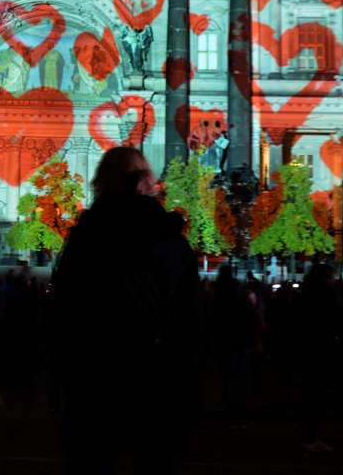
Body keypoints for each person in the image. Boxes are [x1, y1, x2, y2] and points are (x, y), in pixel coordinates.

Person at [49, 146, 202, 475]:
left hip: (95, 377)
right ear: (145, 183)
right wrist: (181, 376)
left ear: (102, 183)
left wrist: (70, 375)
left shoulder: (83, 242)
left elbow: (59, 317)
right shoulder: (173, 244)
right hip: (155, 377)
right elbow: (191, 324)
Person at [296, 263, 340, 453]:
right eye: (330, 277)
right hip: (318, 352)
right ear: (322, 279)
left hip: (309, 352)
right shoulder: (325, 297)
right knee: (312, 398)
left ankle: (309, 436)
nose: (334, 280)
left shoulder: (308, 295)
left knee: (309, 397)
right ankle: (310, 439)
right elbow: (326, 326)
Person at [209, 263, 254, 429]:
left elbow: (217, 319)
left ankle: (231, 417)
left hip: (228, 341)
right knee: (241, 380)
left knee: (229, 380)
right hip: (243, 339)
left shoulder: (222, 293)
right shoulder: (239, 291)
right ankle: (242, 417)